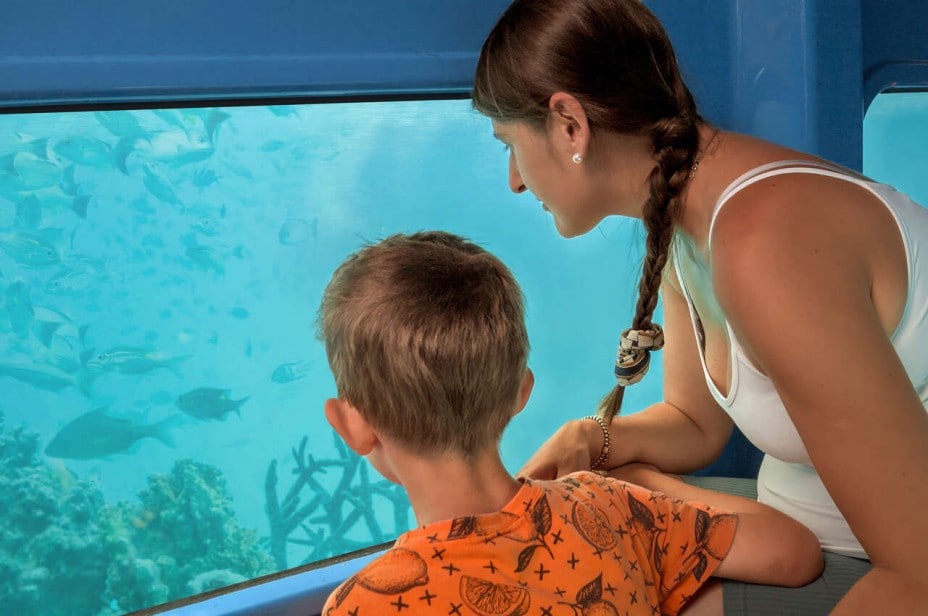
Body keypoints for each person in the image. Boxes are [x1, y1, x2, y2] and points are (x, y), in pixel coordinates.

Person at [470, 0, 928, 614]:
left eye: (510, 144)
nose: (514, 180)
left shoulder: (765, 244)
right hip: (816, 527)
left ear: (569, 125)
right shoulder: (686, 218)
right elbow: (696, 424)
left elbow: (918, 574)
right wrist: (593, 440)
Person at [317, 231, 822, 616]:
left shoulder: (366, 603)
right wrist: (646, 485)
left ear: (351, 425)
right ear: (521, 392)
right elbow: (795, 552)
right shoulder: (608, 507)